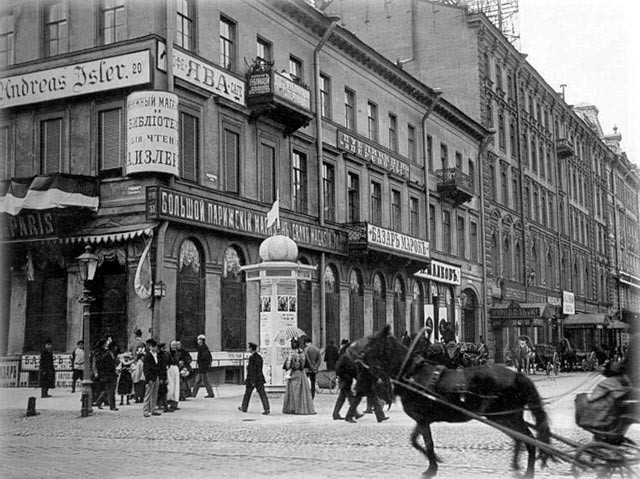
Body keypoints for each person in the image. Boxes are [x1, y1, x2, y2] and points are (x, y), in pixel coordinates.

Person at [580, 360, 632, 444]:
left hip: (609, 412)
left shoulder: (606, 383)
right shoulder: (623, 380)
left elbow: (592, 398)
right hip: (618, 408)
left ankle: (601, 436)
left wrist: (584, 397)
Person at [282, 338, 316, 415]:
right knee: (302, 391)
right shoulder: (302, 353)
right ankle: (301, 407)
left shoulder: (291, 354)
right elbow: (304, 364)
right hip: (301, 373)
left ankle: (293, 407)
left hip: (293, 373)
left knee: (293, 391)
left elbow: (288, 365)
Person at [238, 342, 270, 415]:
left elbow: (252, 370)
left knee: (247, 394)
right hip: (259, 379)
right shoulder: (259, 357)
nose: (248, 349)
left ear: (251, 349)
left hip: (252, 379)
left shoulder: (252, 358)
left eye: (249, 348)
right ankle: (266, 408)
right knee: (262, 394)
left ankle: (244, 407)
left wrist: (252, 381)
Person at [95, 336, 118, 411]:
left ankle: (99, 401)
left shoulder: (107, 353)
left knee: (107, 390)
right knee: (111, 390)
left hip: (109, 373)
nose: (106, 345)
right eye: (105, 344)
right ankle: (112, 406)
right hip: (107, 374)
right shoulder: (102, 354)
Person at [191, 334, 215, 398]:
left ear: (201, 340)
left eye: (198, 340)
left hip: (203, 367)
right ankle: (193, 394)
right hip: (202, 367)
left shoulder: (203, 348)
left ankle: (210, 393)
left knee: (204, 381)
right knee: (198, 381)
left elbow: (205, 358)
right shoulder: (202, 347)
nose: (197, 341)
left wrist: (202, 365)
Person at [142, 339, 161, 417]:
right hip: (150, 377)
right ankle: (146, 410)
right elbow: (146, 368)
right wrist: (148, 378)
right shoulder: (147, 356)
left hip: (156, 376)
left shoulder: (156, 355)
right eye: (153, 347)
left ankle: (153, 409)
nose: (155, 348)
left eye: (155, 347)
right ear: (150, 347)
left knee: (155, 394)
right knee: (148, 394)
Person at [165, 341, 181, 412]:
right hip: (170, 368)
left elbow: (177, 361)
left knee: (176, 387)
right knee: (170, 386)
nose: (173, 347)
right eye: (172, 345)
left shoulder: (177, 353)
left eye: (175, 345)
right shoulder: (168, 353)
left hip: (176, 368)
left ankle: (175, 402)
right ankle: (169, 402)